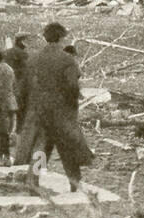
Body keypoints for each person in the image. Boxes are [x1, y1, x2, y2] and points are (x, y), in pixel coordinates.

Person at [14, 21, 94, 192]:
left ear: (45, 38)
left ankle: (33, 180)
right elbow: (73, 86)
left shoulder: (33, 59)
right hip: (60, 111)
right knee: (67, 147)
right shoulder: (67, 60)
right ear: (62, 38)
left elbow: (22, 88)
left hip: (38, 111)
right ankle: (74, 183)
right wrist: (72, 108)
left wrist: (27, 108)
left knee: (40, 147)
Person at [0, 48, 18, 165]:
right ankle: (1, 155)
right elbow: (13, 86)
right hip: (9, 103)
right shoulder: (8, 68)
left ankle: (6, 158)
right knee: (4, 131)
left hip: (1, 103)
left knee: (2, 132)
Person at [4, 34, 31, 131]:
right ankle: (19, 132)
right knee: (22, 112)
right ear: (21, 41)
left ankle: (7, 134)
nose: (27, 44)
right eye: (26, 41)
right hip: (20, 86)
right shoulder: (23, 54)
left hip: (7, 86)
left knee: (8, 113)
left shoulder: (7, 52)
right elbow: (26, 71)